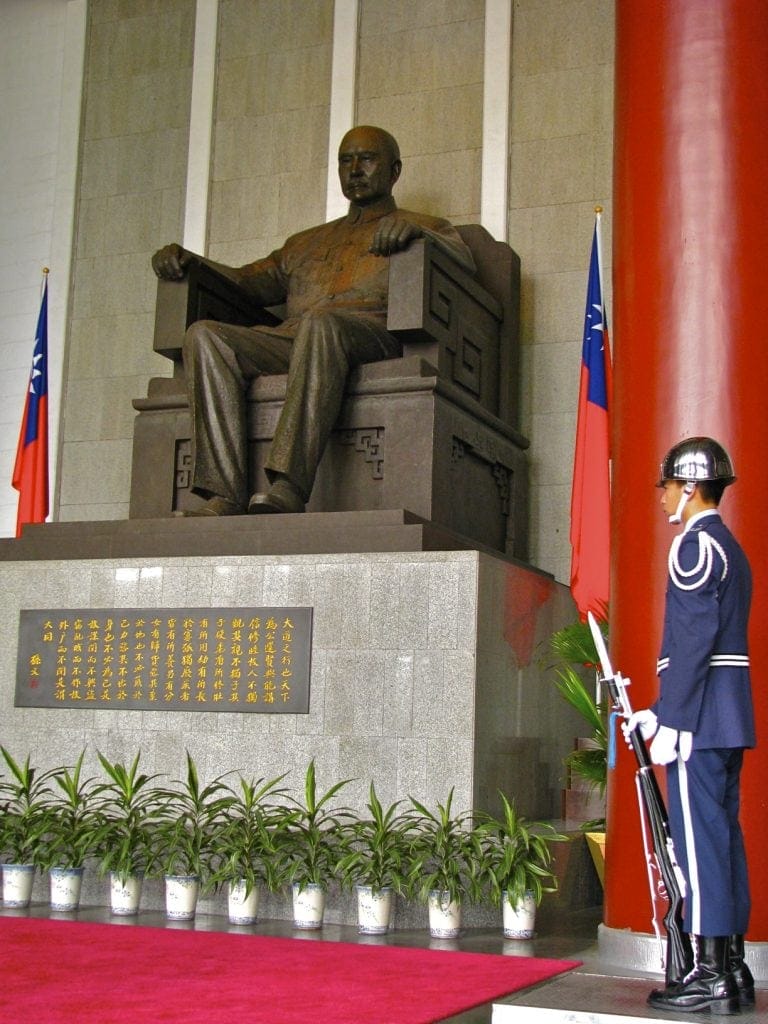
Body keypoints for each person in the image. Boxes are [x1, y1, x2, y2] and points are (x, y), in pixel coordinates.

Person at [151, 125, 474, 516]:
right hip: (297, 338)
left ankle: (289, 485)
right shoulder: (304, 242)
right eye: (345, 160)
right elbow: (246, 283)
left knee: (322, 323)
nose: (354, 169)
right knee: (204, 335)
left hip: (370, 335)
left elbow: (464, 261)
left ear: (394, 171)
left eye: (367, 159)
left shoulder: (421, 223)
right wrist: (188, 261)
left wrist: (419, 234)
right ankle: (223, 493)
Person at [625, 436, 755, 1015]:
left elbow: (695, 640)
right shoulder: (733, 548)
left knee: (698, 851)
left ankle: (708, 974)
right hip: (727, 717)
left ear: (692, 488)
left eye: (668, 484)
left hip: (699, 719)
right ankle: (732, 967)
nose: (662, 496)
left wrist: (672, 716)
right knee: (724, 842)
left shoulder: (694, 547)